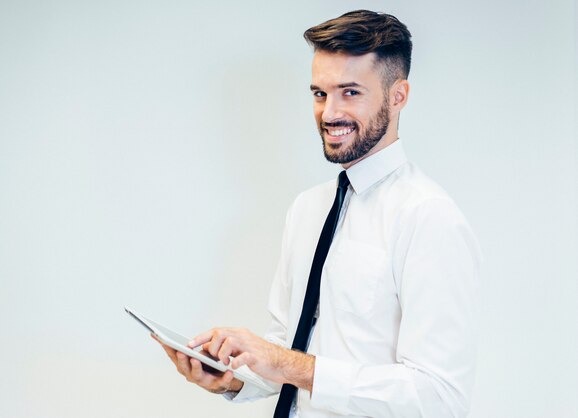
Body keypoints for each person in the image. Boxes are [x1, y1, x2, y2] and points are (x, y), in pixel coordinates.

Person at [154, 9, 482, 418]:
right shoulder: (308, 208)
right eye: (319, 93)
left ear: (398, 96)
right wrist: (233, 377)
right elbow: (289, 351)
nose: (328, 114)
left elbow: (439, 397)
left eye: (350, 92)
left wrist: (289, 363)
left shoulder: (428, 217)